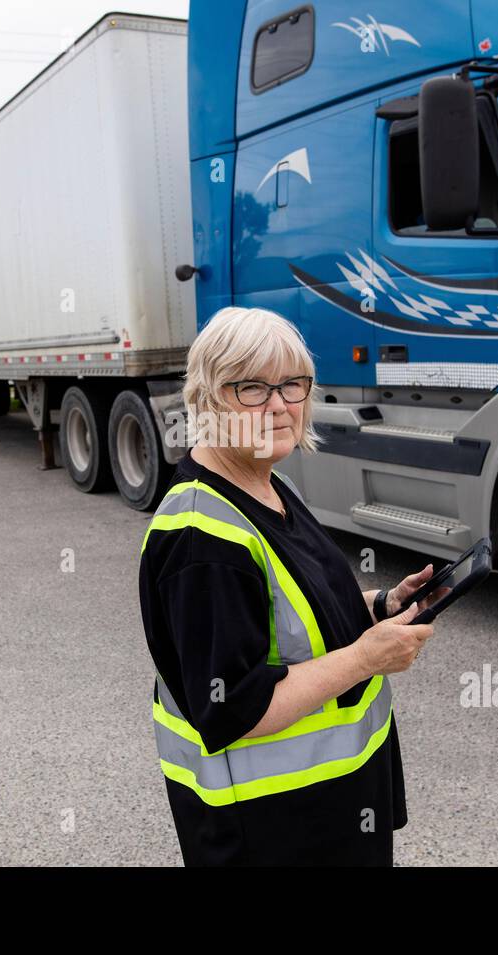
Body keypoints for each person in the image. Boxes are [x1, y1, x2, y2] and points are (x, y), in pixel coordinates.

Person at [137, 305, 447, 866]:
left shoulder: (269, 485)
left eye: (292, 384)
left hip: (328, 812)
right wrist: (364, 659)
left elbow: (293, 609)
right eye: (252, 387)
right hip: (272, 832)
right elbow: (237, 709)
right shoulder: (201, 542)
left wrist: (381, 605)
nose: (279, 404)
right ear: (208, 398)